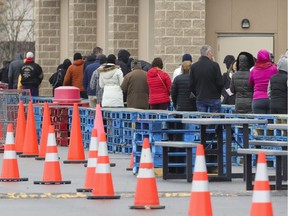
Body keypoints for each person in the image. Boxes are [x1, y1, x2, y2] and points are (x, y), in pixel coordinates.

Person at [189, 45, 223, 113]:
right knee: (215, 120)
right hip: (214, 97)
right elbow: (220, 83)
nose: (212, 54)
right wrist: (218, 93)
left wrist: (197, 93)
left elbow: (191, 84)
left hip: (200, 97)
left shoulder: (194, 66)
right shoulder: (215, 65)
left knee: (202, 120)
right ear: (208, 53)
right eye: (211, 53)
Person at [249, 49, 278, 114]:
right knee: (270, 122)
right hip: (270, 99)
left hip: (257, 99)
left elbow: (250, 82)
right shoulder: (273, 68)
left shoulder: (254, 70)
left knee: (258, 122)